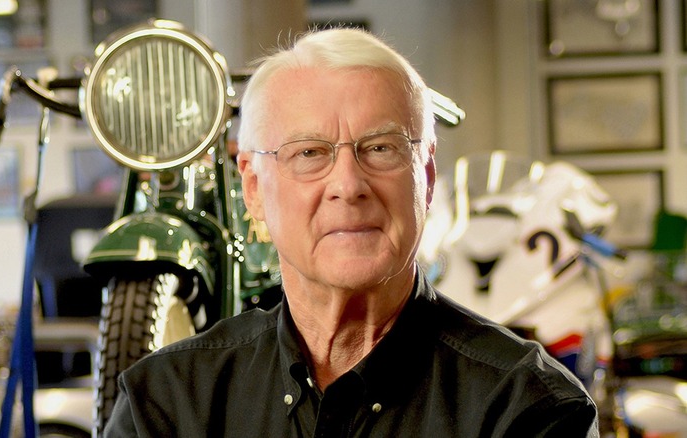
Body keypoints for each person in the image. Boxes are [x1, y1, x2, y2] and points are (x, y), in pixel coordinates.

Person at [103, 27, 599, 437]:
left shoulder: (528, 409)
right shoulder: (164, 403)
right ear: (253, 188)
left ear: (425, 178)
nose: (348, 184)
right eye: (309, 153)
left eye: (380, 148)